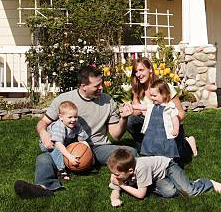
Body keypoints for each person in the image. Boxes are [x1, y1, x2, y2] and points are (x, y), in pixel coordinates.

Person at [14, 66, 136, 199]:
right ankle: (42, 188)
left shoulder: (108, 101)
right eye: (97, 85)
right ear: (83, 86)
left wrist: (124, 118)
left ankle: (135, 182)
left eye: (101, 83)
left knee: (130, 152)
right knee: (43, 159)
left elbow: (116, 136)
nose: (101, 87)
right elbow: (43, 122)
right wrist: (43, 133)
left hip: (97, 146)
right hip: (68, 147)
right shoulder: (64, 99)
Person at [127, 58, 195, 164]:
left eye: (141, 70)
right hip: (151, 130)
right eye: (136, 71)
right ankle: (145, 151)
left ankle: (188, 143)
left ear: (150, 69)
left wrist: (169, 124)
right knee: (131, 121)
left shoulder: (164, 87)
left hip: (169, 127)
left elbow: (181, 113)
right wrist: (133, 101)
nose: (138, 74)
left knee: (177, 159)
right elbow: (136, 112)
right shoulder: (138, 89)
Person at [108, 148, 221, 206]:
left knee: (189, 192)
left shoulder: (141, 168)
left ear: (130, 170)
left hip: (168, 167)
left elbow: (140, 195)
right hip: (156, 176)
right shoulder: (120, 171)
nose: (114, 176)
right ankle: (150, 184)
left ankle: (206, 182)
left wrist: (122, 184)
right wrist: (115, 198)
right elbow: (115, 189)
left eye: (117, 175)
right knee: (170, 192)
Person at [132, 79, 197, 159]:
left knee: (167, 148)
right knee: (154, 147)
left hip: (165, 133)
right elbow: (141, 107)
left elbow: (175, 118)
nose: (152, 98)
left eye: (154, 96)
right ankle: (155, 160)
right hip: (153, 133)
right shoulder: (152, 106)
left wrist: (176, 129)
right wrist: (132, 106)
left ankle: (187, 145)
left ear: (164, 95)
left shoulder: (169, 107)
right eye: (151, 95)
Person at [38, 100, 90, 181]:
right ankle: (61, 171)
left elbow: (83, 140)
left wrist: (89, 154)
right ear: (61, 117)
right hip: (49, 144)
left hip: (64, 141)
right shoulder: (59, 126)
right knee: (57, 150)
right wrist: (69, 157)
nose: (73, 120)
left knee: (74, 147)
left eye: (75, 117)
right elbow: (58, 144)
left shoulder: (76, 125)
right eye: (70, 117)